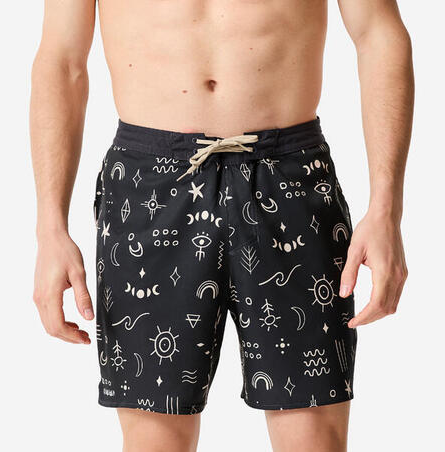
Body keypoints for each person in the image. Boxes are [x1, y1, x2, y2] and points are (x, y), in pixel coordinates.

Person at [30, 1, 413, 451]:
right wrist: (50, 227)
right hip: (150, 187)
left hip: (289, 178)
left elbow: (378, 34)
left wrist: (386, 209)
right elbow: (63, 61)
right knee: (154, 441)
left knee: (314, 439)